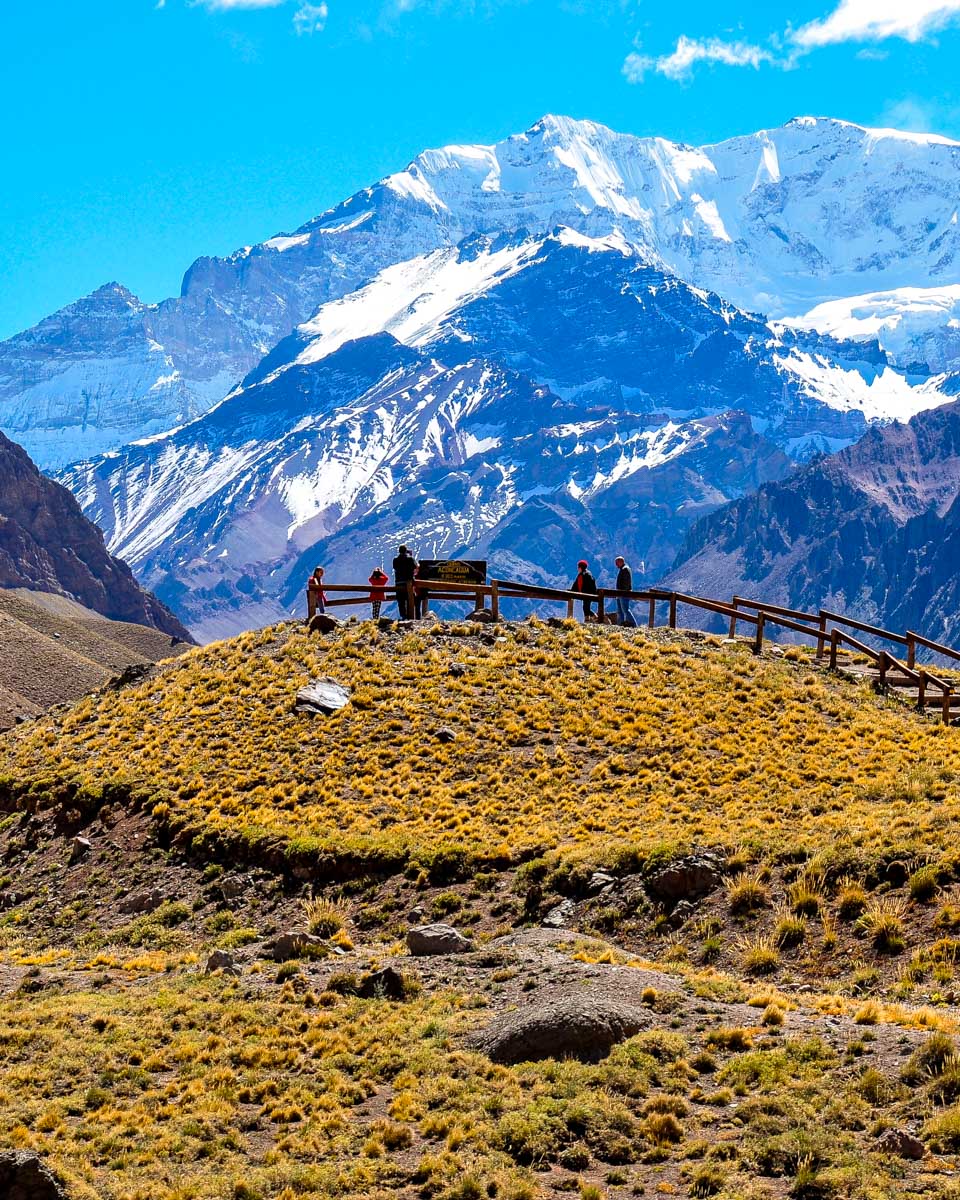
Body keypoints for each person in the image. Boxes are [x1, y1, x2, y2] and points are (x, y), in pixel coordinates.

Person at [392, 545, 416, 619]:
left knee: (401, 601)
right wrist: (411, 556)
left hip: (398, 582)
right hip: (408, 582)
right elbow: (415, 566)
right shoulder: (410, 559)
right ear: (406, 551)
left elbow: (395, 567)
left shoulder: (395, 560)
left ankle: (403, 616)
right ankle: (410, 616)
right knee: (409, 599)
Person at [614, 556, 637, 626]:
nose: (616, 565)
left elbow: (626, 583)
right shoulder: (623, 569)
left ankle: (633, 624)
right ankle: (620, 624)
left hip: (623, 593)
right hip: (620, 593)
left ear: (621, 562)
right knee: (620, 611)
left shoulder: (625, 569)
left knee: (625, 610)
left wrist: (622, 591)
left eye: (617, 563)